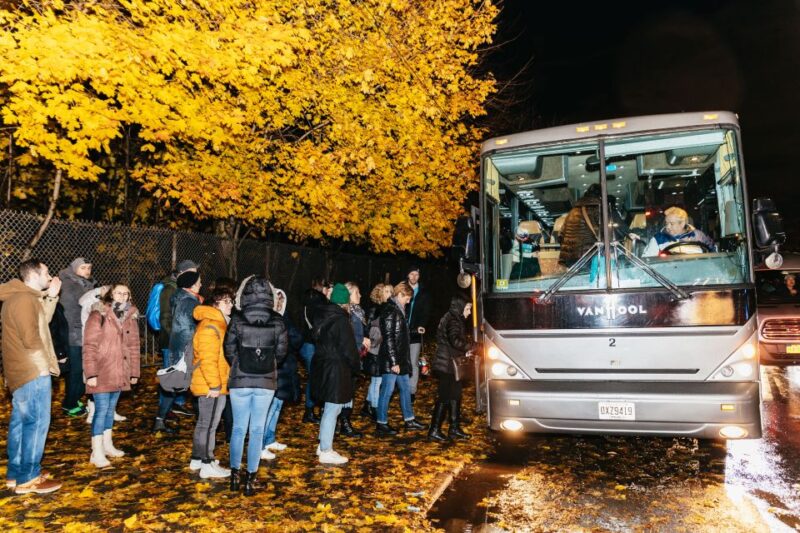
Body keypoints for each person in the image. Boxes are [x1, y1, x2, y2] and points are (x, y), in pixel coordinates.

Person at [0, 259, 63, 494]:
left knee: (21, 422)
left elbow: (41, 322)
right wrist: (43, 366)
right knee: (36, 423)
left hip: (20, 370)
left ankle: (16, 473)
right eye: (46, 272)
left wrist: (52, 296)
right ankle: (30, 476)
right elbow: (31, 337)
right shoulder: (25, 299)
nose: (49, 276)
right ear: (34, 274)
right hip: (31, 369)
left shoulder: (20, 297)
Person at [224, 276, 287, 496]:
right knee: (258, 430)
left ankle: (234, 475)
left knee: (239, 428)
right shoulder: (278, 320)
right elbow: (281, 353)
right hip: (266, 380)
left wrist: (240, 362)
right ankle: (251, 479)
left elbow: (228, 349)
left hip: (240, 380)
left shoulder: (237, 318)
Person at [83, 284, 141, 468]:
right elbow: (89, 345)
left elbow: (134, 346)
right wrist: (91, 373)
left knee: (110, 410)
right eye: (118, 293)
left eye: (126, 293)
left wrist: (134, 372)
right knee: (100, 410)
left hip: (120, 370)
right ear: (110, 294)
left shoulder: (130, 317)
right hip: (101, 370)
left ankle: (107, 445)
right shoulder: (98, 314)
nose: (122, 296)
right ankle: (96, 451)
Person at [311, 284, 361, 464]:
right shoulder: (340, 320)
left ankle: (322, 443)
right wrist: (356, 366)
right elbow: (348, 349)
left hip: (323, 366)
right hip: (336, 369)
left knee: (329, 408)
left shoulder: (322, 315)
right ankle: (326, 450)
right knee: (333, 409)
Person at [189, 287, 234, 479]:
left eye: (231, 301)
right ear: (215, 305)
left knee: (205, 423)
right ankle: (207, 464)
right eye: (226, 302)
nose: (230, 305)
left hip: (212, 381)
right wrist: (215, 385)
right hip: (211, 383)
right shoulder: (211, 326)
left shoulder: (217, 324)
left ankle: (198, 458)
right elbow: (208, 359)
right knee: (209, 424)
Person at [153, 270, 203, 433]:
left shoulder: (182, 298)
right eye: (199, 282)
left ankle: (160, 420)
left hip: (181, 347)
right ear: (191, 285)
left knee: (175, 385)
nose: (201, 284)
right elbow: (187, 327)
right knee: (184, 384)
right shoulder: (189, 302)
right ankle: (202, 422)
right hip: (186, 349)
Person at [375, 282, 425, 436]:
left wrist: (414, 330)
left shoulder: (398, 309)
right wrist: (393, 362)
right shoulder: (391, 310)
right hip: (393, 360)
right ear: (400, 294)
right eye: (408, 298)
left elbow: (399, 331)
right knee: (387, 391)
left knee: (405, 388)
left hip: (400, 358)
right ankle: (381, 423)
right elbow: (389, 337)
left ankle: (409, 419)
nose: (409, 302)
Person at [261, 287, 303, 457]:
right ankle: (261, 443)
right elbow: (293, 338)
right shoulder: (273, 320)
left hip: (286, 367)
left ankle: (270, 438)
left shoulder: (284, 318)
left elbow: (296, 338)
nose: (279, 303)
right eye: (276, 299)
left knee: (278, 405)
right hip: (277, 367)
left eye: (281, 300)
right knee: (270, 407)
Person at [428, 295, 475, 442]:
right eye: (468, 309)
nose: (469, 312)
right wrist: (473, 347)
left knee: (455, 395)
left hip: (451, 363)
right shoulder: (453, 319)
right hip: (447, 364)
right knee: (444, 396)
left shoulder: (453, 317)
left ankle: (454, 428)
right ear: (460, 307)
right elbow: (455, 341)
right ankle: (434, 430)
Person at [58, 257, 98, 417]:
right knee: (76, 370)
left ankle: (73, 399)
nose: (87, 271)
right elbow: (68, 312)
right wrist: (78, 329)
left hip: (83, 332)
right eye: (83, 268)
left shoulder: (85, 284)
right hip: (74, 334)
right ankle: (69, 404)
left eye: (89, 268)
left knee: (78, 370)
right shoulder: (69, 285)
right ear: (74, 269)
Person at [299, 278, 332, 424]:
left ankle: (311, 410)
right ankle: (310, 411)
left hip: (305, 343)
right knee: (315, 378)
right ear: (322, 288)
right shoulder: (319, 303)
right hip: (312, 344)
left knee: (314, 377)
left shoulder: (307, 300)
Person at [359, 283, 392, 420]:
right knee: (377, 380)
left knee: (377, 379)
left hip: (380, 349)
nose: (390, 293)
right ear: (380, 293)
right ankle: (374, 408)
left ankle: (367, 406)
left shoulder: (386, 308)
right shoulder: (375, 309)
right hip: (374, 349)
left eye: (391, 291)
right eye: (387, 291)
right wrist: (374, 343)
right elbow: (369, 330)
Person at [642, 206, 716, 257]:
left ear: (682, 223)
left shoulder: (698, 236)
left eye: (672, 224)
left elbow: (713, 253)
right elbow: (648, 259)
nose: (668, 226)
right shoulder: (658, 239)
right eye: (666, 223)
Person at [405, 267, 431, 404]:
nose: (414, 277)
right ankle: (402, 387)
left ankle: (411, 391)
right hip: (402, 332)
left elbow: (426, 311)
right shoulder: (402, 289)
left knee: (414, 362)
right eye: (412, 273)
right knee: (402, 361)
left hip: (415, 332)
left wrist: (422, 325)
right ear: (407, 275)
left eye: (416, 274)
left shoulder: (424, 292)